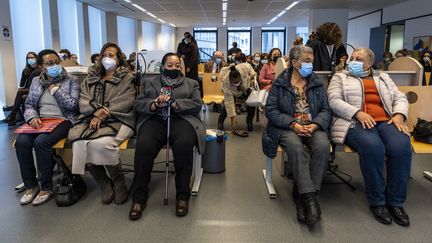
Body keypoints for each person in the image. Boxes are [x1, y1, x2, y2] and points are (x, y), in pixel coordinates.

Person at [328, 47, 411, 226]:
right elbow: (334, 101)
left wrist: (399, 115)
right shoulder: (340, 77)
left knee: (401, 147)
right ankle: (377, 201)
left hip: (386, 120)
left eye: (358, 58)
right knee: (374, 149)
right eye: (352, 57)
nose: (353, 61)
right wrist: (357, 113)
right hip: (354, 122)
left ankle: (396, 202)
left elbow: (400, 97)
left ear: (369, 64)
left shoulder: (383, 77)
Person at [130, 53, 205, 220]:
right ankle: (138, 198)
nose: (174, 68)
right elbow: (138, 104)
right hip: (155, 119)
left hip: (182, 120)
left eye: (177, 65)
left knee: (185, 145)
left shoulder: (191, 83)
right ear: (163, 67)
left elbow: (197, 104)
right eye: (170, 65)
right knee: (144, 146)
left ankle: (182, 197)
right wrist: (154, 104)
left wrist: (176, 103)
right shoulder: (149, 82)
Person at [262, 45, 332, 225]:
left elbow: (325, 109)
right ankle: (310, 199)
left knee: (323, 146)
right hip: (287, 126)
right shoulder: (280, 83)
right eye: (307, 61)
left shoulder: (316, 82)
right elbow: (271, 110)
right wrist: (293, 124)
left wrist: (316, 124)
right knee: (294, 146)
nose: (311, 65)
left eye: (312, 62)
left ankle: (303, 195)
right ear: (294, 62)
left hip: (312, 126)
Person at [68, 42, 136, 205]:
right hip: (90, 117)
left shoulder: (127, 77)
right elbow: (83, 98)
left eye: (111, 55)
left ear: (118, 59)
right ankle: (104, 183)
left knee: (102, 144)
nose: (107, 58)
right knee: (79, 142)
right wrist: (94, 111)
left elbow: (127, 99)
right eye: (104, 55)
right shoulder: (91, 77)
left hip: (120, 118)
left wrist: (102, 114)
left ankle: (119, 182)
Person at [15, 49, 80, 206]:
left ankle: (46, 187)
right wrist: (32, 117)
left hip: (64, 120)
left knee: (41, 142)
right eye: (50, 63)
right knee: (21, 142)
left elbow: (74, 105)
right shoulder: (36, 81)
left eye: (57, 62)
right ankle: (31, 185)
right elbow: (29, 104)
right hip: (41, 120)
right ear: (41, 66)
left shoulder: (71, 79)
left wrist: (56, 91)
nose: (55, 65)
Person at [218, 63, 257, 136]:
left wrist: (252, 75)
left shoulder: (244, 67)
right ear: (230, 79)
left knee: (252, 100)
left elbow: (250, 68)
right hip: (231, 92)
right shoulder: (226, 84)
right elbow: (230, 104)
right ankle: (220, 120)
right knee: (228, 105)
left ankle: (249, 120)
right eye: (234, 83)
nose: (236, 84)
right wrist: (234, 122)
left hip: (245, 87)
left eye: (238, 82)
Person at [3, 52, 41, 125]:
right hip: (28, 90)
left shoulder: (39, 69)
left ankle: (12, 115)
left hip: (37, 89)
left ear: (36, 58)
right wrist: (25, 76)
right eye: (28, 58)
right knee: (23, 97)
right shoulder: (26, 70)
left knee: (20, 92)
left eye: (32, 57)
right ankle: (25, 118)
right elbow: (22, 84)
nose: (30, 59)